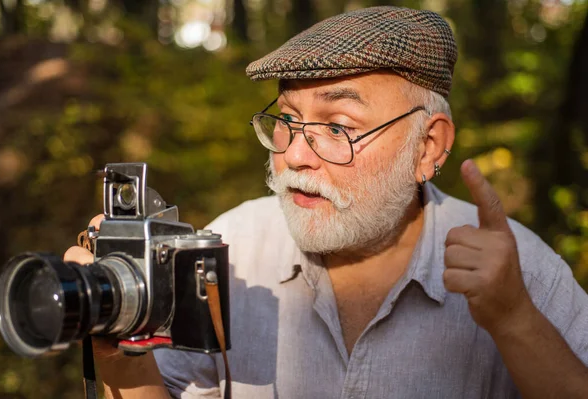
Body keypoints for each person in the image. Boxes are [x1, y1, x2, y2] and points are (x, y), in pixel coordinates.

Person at [64, 5, 588, 399]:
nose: (293, 155)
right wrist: (121, 347)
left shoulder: (521, 274)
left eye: (338, 128)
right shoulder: (233, 248)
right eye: (288, 120)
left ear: (427, 147)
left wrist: (515, 320)